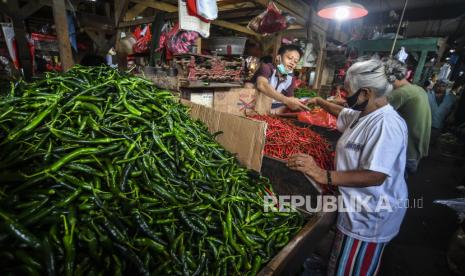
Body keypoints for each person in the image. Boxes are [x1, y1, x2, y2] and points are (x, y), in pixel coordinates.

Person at [287, 57, 408, 276]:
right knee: (340, 262)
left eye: (348, 91)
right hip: (353, 206)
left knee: (352, 269)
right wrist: (321, 102)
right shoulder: (366, 113)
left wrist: (324, 175)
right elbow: (343, 114)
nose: (345, 96)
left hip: (369, 214)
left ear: (366, 93)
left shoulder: (386, 125)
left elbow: (376, 175)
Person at [385, 58, 431, 174]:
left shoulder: (401, 93)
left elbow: (374, 111)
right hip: (417, 150)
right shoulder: (418, 89)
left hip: (406, 152)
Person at [250, 44, 308, 112]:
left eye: (295, 61)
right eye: (289, 58)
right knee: (248, 85)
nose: (292, 63)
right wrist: (286, 100)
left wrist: (298, 104)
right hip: (254, 106)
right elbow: (262, 85)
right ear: (278, 57)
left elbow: (290, 98)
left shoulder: (291, 78)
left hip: (271, 110)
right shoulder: (267, 68)